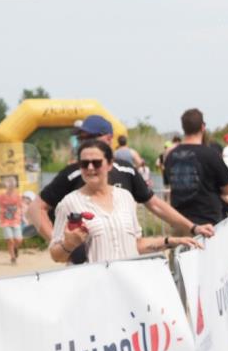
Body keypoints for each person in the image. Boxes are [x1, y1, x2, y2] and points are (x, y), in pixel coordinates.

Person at [27, 114, 214, 266]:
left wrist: (192, 227)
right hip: (91, 279)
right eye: (81, 138)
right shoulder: (73, 173)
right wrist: (66, 245)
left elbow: (155, 205)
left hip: (127, 281)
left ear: (108, 139)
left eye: (89, 137)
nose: (90, 166)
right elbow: (36, 209)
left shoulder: (126, 172)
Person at [50, 139, 200, 264]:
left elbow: (137, 244)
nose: (90, 168)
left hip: (128, 284)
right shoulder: (69, 203)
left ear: (109, 164)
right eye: (84, 163)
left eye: (96, 163)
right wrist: (68, 245)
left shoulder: (125, 197)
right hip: (96, 289)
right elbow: (56, 255)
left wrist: (171, 241)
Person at [163, 108, 228, 226]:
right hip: (208, 225)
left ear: (183, 128)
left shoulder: (171, 156)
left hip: (180, 223)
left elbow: (168, 184)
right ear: (203, 127)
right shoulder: (210, 154)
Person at [0, 176, 24, 264]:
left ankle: (15, 248)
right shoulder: (2, 196)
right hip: (5, 221)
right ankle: (13, 258)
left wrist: (24, 217)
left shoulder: (18, 195)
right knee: (10, 240)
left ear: (14, 186)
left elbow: (22, 207)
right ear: (6, 186)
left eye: (12, 185)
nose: (10, 187)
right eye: (9, 185)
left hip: (16, 221)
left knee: (19, 240)